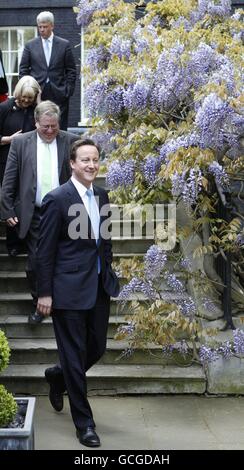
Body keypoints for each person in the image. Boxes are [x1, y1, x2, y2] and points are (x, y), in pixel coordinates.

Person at [36, 139, 120, 447]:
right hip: (67, 290)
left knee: (95, 347)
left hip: (98, 286)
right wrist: (44, 292)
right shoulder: (57, 199)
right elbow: (43, 251)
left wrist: (107, 270)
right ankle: (84, 424)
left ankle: (59, 376)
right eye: (85, 159)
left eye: (95, 159)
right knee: (74, 355)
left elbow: (105, 241)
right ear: (72, 163)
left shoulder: (102, 195)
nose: (91, 165)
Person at [0, 101, 79, 324]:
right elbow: (10, 179)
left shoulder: (70, 140)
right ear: (36, 123)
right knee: (35, 261)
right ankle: (40, 305)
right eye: (45, 126)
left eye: (54, 126)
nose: (50, 131)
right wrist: (6, 209)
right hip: (34, 212)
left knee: (64, 259)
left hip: (64, 212)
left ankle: (61, 303)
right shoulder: (22, 143)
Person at [0, 75, 41, 256]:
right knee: (11, 199)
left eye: (30, 98)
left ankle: (26, 240)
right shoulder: (4, 108)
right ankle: (13, 243)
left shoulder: (36, 110)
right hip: (6, 159)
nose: (26, 101)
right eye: (24, 97)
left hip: (30, 162)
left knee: (26, 198)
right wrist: (10, 139)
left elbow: (46, 126)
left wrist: (38, 102)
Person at [19, 11, 76, 130]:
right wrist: (28, 88)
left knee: (59, 128)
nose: (42, 29)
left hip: (59, 93)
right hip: (36, 94)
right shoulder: (30, 45)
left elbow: (71, 70)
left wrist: (68, 91)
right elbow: (23, 70)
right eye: (40, 27)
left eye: (45, 26)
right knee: (36, 127)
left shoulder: (64, 44)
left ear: (52, 26)